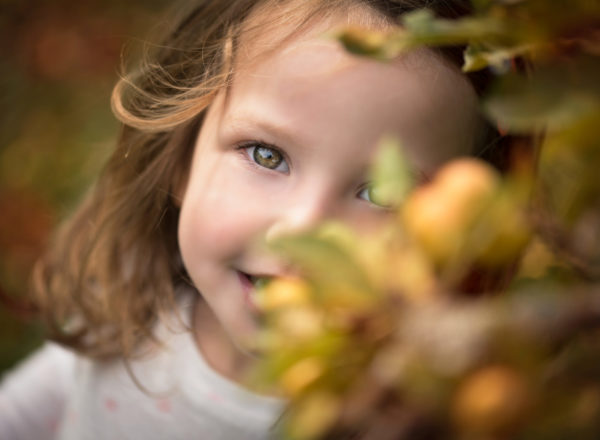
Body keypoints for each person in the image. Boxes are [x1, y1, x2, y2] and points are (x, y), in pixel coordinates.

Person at [0, 0, 503, 438]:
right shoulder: (134, 298)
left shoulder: (391, 418)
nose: (300, 232)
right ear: (181, 156)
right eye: (266, 155)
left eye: (381, 192)